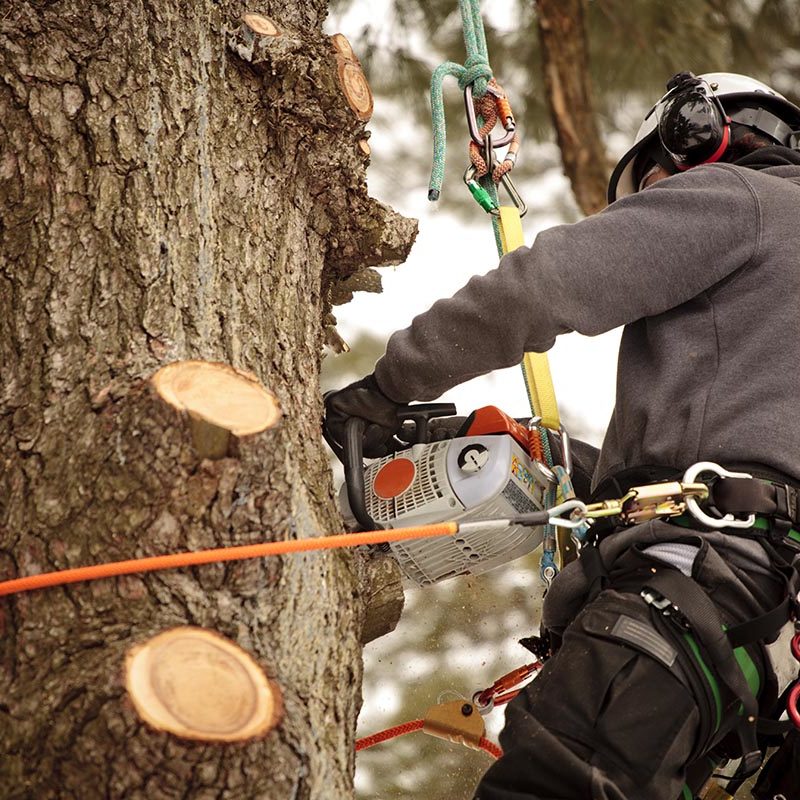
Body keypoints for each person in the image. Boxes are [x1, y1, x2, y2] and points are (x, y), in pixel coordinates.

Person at [324, 72, 800, 799]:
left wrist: (388, 387)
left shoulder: (741, 197)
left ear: (699, 136)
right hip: (770, 648)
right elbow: (754, 460)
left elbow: (545, 285)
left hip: (698, 590)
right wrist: (560, 462)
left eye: (649, 190)